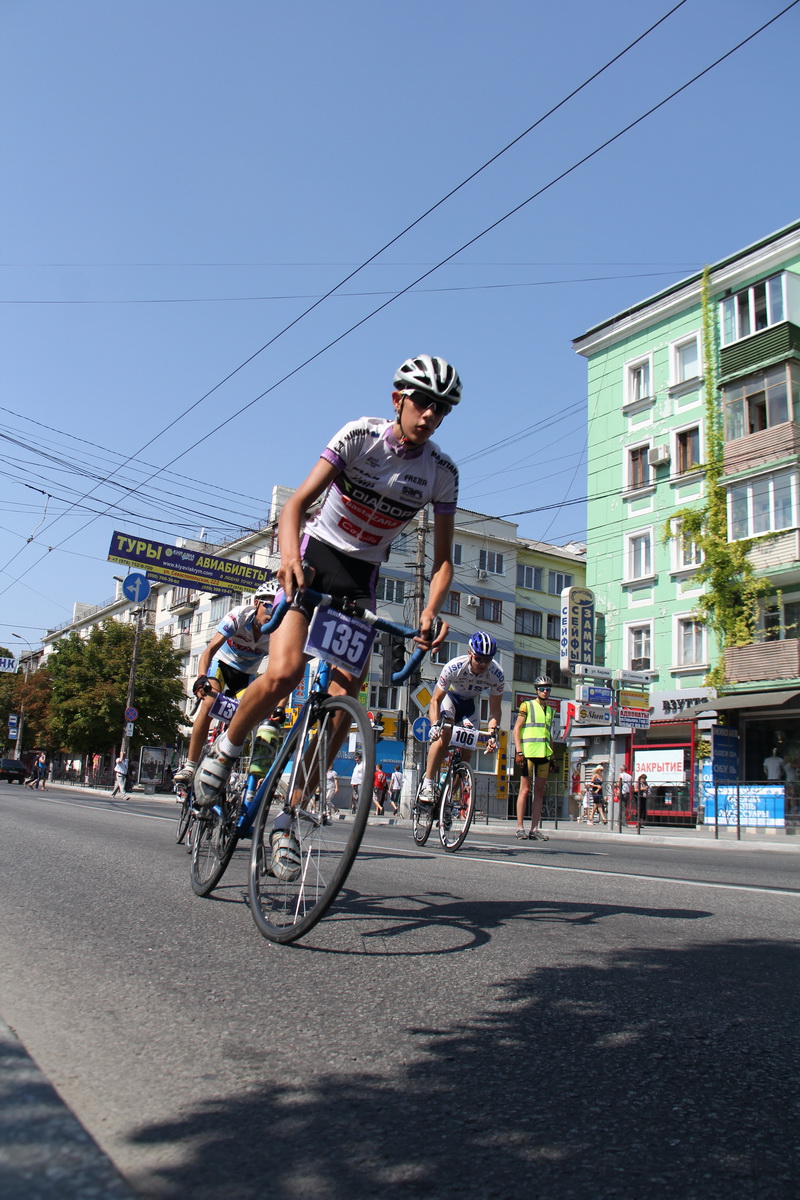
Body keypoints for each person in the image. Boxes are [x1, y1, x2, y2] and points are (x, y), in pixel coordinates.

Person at [193, 355, 461, 877]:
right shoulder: (359, 436)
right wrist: (290, 559)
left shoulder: (441, 473)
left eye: (441, 409)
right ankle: (224, 751)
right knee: (285, 671)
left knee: (344, 702)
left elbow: (446, 560)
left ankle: (288, 819)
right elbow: (295, 505)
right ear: (397, 400)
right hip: (314, 561)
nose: (430, 415)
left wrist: (431, 610)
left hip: (360, 580)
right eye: (423, 402)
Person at [173, 580, 284, 788]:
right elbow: (209, 651)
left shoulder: (276, 632)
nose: (271, 611)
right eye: (268, 605)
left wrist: (280, 706)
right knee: (208, 703)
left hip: (246, 677)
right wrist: (201, 677)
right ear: (256, 603)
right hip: (222, 665)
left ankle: (252, 772)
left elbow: (282, 675)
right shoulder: (240, 615)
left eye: (276, 607)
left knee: (255, 715)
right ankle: (190, 765)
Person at [419, 631, 503, 806]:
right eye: (479, 658)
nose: (483, 664)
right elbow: (435, 700)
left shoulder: (496, 673)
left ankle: (448, 800)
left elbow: (495, 711)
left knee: (467, 754)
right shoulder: (454, 667)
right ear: (470, 654)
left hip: (470, 706)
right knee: (444, 735)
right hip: (451, 699)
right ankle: (427, 784)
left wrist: (493, 734)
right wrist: (435, 725)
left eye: (487, 660)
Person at [513, 676, 555, 841]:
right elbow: (517, 729)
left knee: (539, 792)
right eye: (542, 689)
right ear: (536, 690)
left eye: (548, 689)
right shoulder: (527, 705)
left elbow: (548, 734)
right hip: (528, 753)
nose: (545, 691)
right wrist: (519, 751)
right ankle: (520, 827)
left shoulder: (551, 710)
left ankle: (535, 829)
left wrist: (551, 756)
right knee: (525, 790)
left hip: (544, 754)